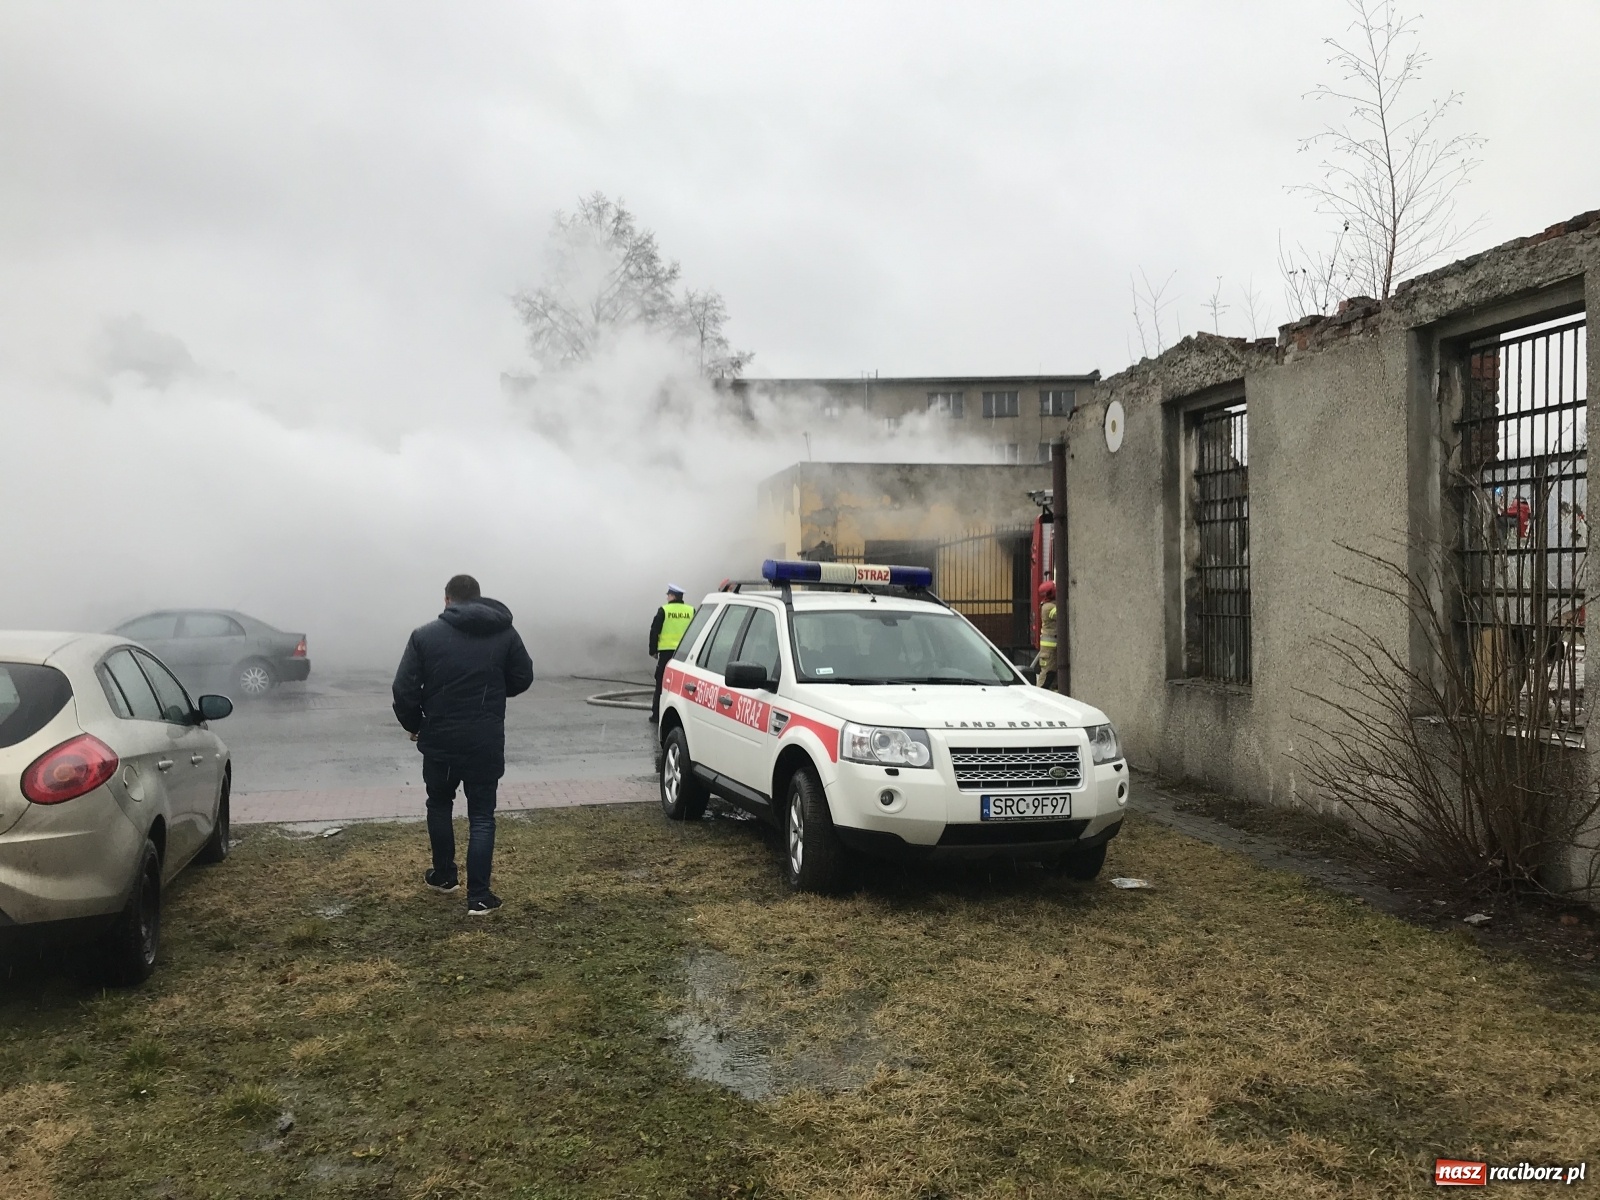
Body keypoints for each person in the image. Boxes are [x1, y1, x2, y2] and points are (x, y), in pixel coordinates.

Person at [392, 575, 534, 915]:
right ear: (479, 598)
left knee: (439, 804)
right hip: (484, 739)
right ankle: (480, 897)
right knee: (482, 815)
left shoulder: (424, 636)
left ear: (447, 599)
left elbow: (404, 690)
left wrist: (416, 725)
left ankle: (443, 876)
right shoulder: (504, 633)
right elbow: (523, 677)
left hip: (439, 738)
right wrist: (493, 692)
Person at [649, 584, 695, 723]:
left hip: (667, 653)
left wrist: (653, 651)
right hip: (686, 653)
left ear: (673, 596)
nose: (667, 597)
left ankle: (657, 715)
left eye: (668, 595)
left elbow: (654, 631)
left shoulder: (664, 610)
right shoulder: (691, 610)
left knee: (662, 681)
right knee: (685, 684)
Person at [1037, 580, 1058, 690]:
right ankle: (1039, 695)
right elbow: (1064, 613)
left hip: (1052, 649)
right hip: (1049, 650)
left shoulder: (1048, 604)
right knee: (1047, 676)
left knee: (1053, 677)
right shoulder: (1048, 607)